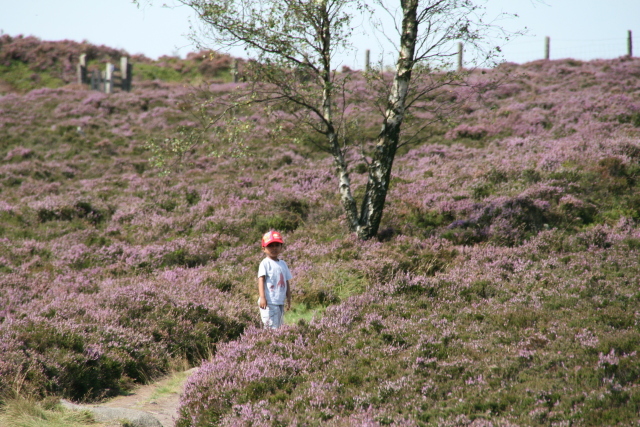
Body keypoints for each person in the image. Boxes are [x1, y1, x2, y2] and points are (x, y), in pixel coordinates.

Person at [257, 230, 292, 329]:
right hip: (269, 302)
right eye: (270, 246)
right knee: (271, 328)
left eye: (277, 245)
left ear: (281, 247)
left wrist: (288, 297)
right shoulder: (265, 263)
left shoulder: (283, 264)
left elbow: (286, 281)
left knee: (279, 327)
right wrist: (262, 297)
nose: (274, 248)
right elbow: (261, 280)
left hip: (280, 301)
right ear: (264, 248)